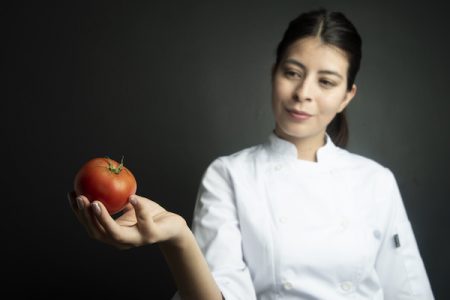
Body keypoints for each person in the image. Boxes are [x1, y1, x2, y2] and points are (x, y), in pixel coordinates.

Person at [68, 8, 434, 300]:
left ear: (347, 96)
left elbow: (409, 291)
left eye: (326, 81)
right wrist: (177, 236)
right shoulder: (229, 175)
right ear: (274, 73)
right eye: (292, 72)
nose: (303, 92)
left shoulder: (376, 181)